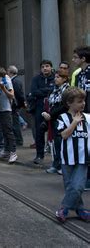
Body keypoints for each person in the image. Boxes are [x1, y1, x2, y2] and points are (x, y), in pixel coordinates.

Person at [55, 87, 90, 223]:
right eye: (79, 101)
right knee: (71, 186)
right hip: (67, 158)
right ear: (69, 103)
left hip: (83, 158)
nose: (83, 104)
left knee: (78, 186)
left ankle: (63, 209)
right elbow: (64, 135)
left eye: (84, 101)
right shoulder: (63, 118)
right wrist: (74, 122)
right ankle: (80, 209)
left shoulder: (87, 118)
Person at [43, 70, 69, 174]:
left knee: (62, 143)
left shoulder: (67, 90)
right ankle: (56, 164)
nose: (55, 79)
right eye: (55, 77)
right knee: (55, 143)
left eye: (58, 77)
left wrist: (51, 114)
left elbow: (64, 106)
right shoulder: (54, 90)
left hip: (62, 118)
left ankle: (63, 166)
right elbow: (51, 104)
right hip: (53, 119)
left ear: (64, 79)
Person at [72, 46, 90, 190]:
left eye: (76, 57)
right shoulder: (79, 74)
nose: (73, 60)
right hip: (84, 114)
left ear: (83, 59)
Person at [31, 60, 55, 164]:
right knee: (39, 132)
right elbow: (34, 92)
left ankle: (56, 157)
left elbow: (54, 89)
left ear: (51, 67)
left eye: (47, 66)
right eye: (43, 67)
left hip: (53, 108)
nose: (45, 68)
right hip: (39, 108)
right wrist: (47, 90)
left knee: (54, 131)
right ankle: (39, 155)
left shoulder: (55, 77)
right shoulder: (36, 79)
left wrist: (43, 91)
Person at [0, 67, 18, 164]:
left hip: (6, 109)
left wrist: (3, 88)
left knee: (8, 131)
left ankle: (13, 152)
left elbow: (12, 95)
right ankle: (7, 150)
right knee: (3, 131)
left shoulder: (6, 80)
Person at [7, 65, 25, 146]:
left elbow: (18, 94)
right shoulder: (15, 80)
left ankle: (18, 140)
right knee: (14, 122)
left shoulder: (15, 81)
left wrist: (20, 104)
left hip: (15, 105)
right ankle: (17, 139)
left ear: (10, 72)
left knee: (15, 123)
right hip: (15, 104)